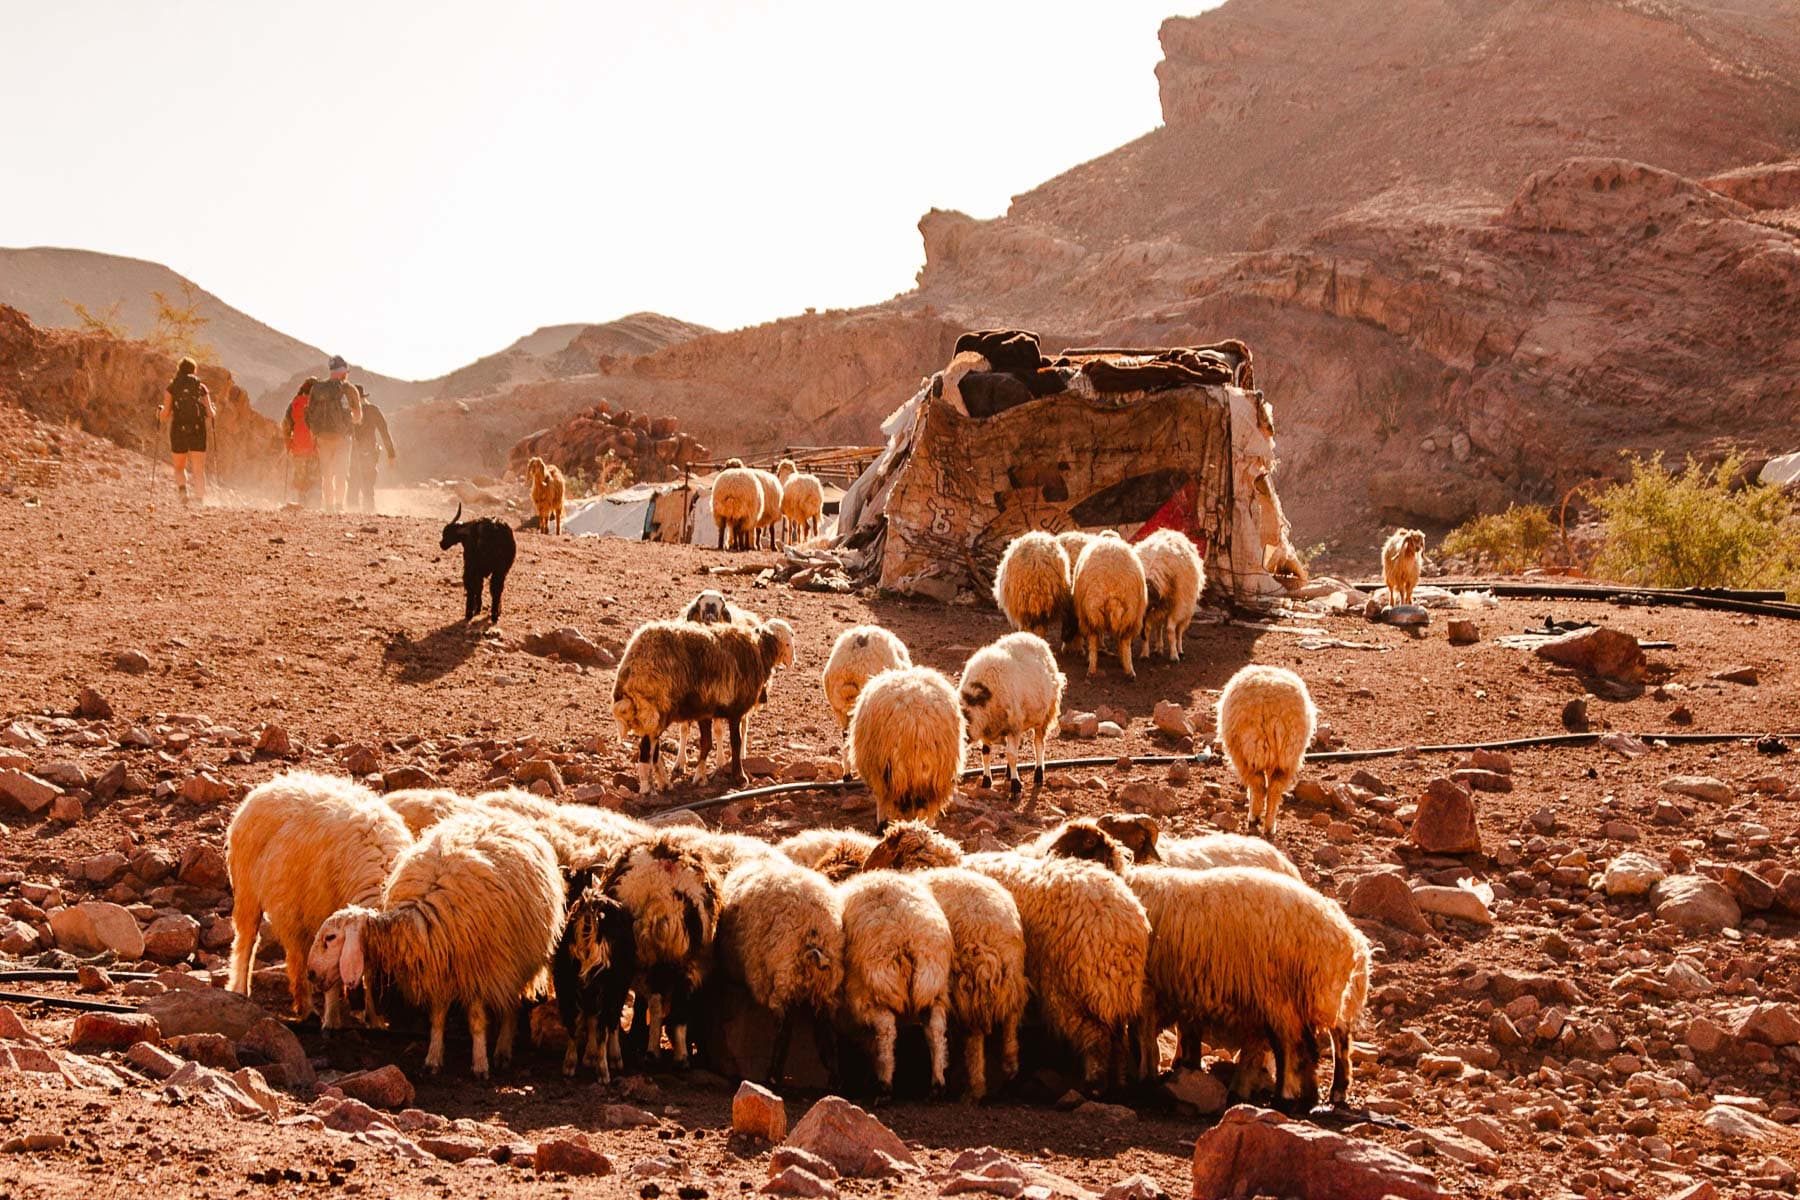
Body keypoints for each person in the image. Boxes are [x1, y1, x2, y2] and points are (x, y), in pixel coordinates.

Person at [306, 355, 363, 512]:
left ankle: (329, 506)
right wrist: (350, 418)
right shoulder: (349, 389)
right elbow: (358, 417)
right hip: (343, 438)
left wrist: (315, 434)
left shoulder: (316, 388)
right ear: (343, 372)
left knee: (327, 475)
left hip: (322, 437)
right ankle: (339, 506)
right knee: (341, 474)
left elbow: (310, 413)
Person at [159, 357, 216, 505]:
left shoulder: (172, 387)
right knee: (198, 469)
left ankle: (183, 492)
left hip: (178, 429)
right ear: (194, 370)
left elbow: (165, 414)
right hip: (198, 430)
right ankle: (199, 500)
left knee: (179, 466)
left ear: (179, 369)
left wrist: (158, 413)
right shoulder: (201, 387)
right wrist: (213, 411)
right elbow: (210, 413)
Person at [348, 385, 396, 512]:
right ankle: (369, 512)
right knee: (368, 486)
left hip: (352, 452)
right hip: (370, 452)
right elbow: (384, 433)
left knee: (353, 483)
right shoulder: (374, 410)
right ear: (363, 397)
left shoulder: (348, 412)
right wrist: (391, 454)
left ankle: (350, 514)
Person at [281, 377, 321, 507]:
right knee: (314, 478)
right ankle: (313, 506)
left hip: (298, 445)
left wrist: (288, 443)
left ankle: (301, 503)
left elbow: (286, 425)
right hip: (315, 447)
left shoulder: (295, 403)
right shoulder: (320, 404)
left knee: (300, 478)